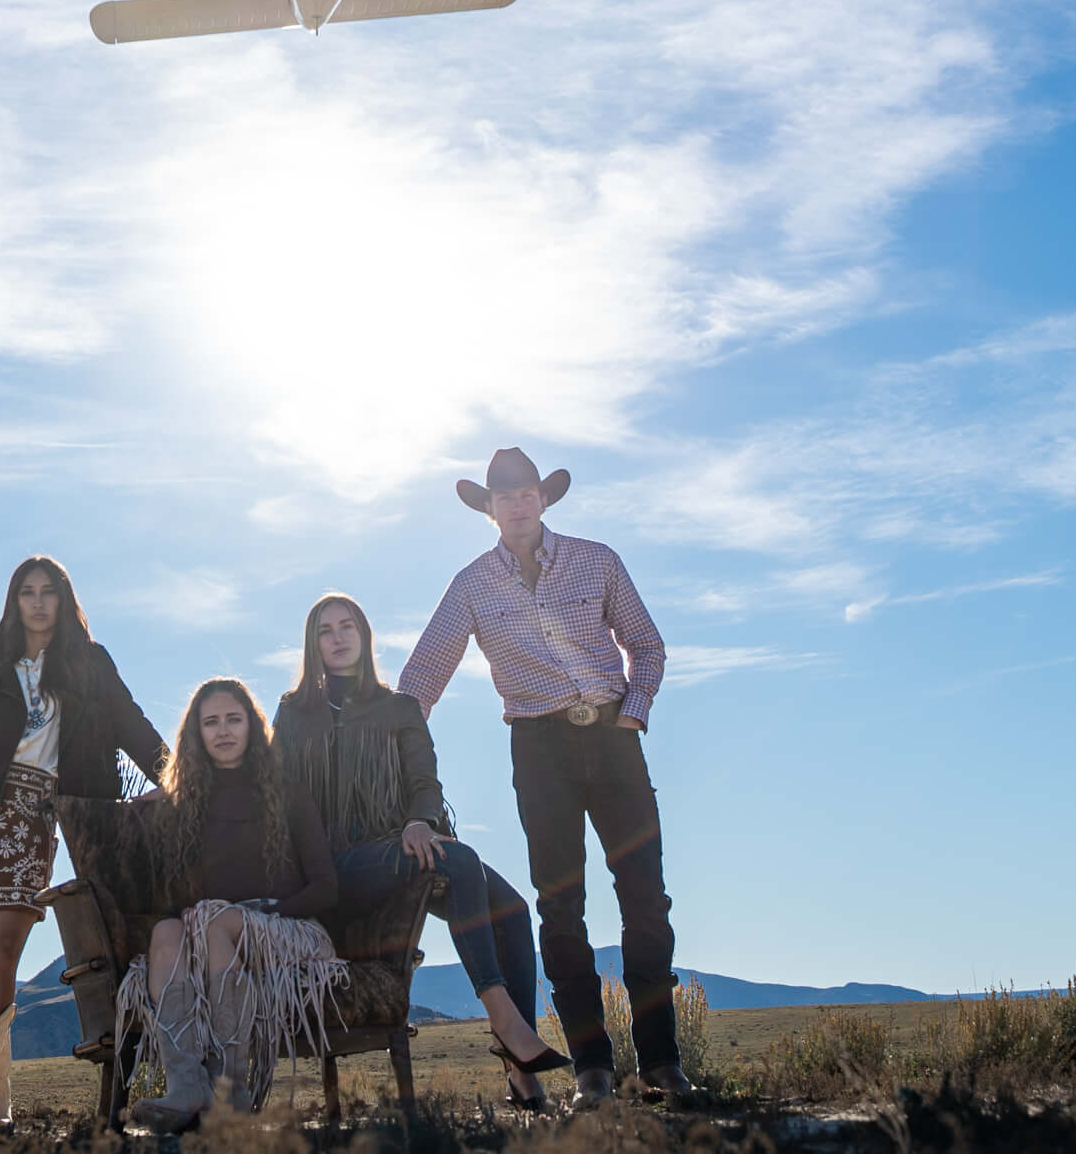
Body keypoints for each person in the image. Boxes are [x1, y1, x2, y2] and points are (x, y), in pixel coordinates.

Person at [397, 448, 692, 1104]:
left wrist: (633, 716)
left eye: (527, 493)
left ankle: (663, 1063)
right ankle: (592, 1068)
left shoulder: (597, 560)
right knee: (562, 909)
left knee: (646, 899)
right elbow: (420, 679)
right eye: (504, 497)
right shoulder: (473, 585)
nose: (518, 505)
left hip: (613, 740)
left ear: (543, 498)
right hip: (538, 749)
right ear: (490, 509)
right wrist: (390, 749)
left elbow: (647, 645)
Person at [277, 592, 572, 1111]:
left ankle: (520, 1074)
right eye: (326, 630)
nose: (339, 637)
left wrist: (418, 820)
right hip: (333, 863)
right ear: (312, 644)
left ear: (366, 637)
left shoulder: (399, 708)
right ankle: (504, 1019)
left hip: (396, 845)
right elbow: (269, 789)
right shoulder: (293, 713)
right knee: (460, 860)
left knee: (514, 910)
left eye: (349, 626)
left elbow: (424, 780)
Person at [0, 558, 170, 1128]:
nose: (37, 603)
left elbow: (131, 723)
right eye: (26, 593)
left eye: (48, 592)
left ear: (64, 600)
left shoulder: (89, 663)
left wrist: (177, 777)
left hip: (37, 817)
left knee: (3, 950)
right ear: (13, 602)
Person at [121, 677, 344, 1132]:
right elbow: (177, 897)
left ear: (252, 726)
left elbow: (326, 887)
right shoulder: (185, 803)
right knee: (166, 933)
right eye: (211, 722)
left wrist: (258, 918)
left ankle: (231, 1092)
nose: (223, 731)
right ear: (196, 733)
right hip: (214, 933)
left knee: (216, 920)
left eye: (233, 719)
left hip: (291, 933)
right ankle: (186, 1087)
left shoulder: (286, 790)